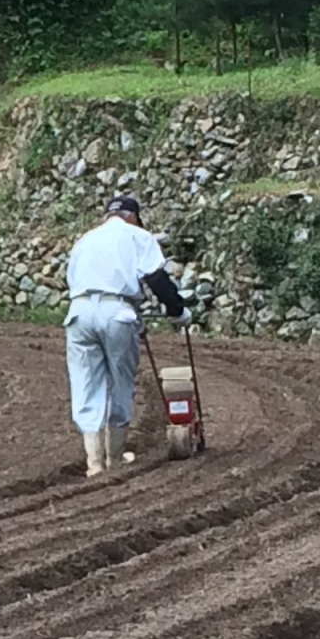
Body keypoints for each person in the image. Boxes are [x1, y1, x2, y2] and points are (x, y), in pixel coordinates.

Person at [63, 195, 190, 477]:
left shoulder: (84, 241)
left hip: (79, 312)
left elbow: (71, 280)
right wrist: (177, 311)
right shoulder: (138, 236)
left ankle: (94, 463)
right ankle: (115, 459)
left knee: (86, 384)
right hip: (117, 312)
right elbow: (157, 279)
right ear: (132, 216)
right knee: (120, 381)